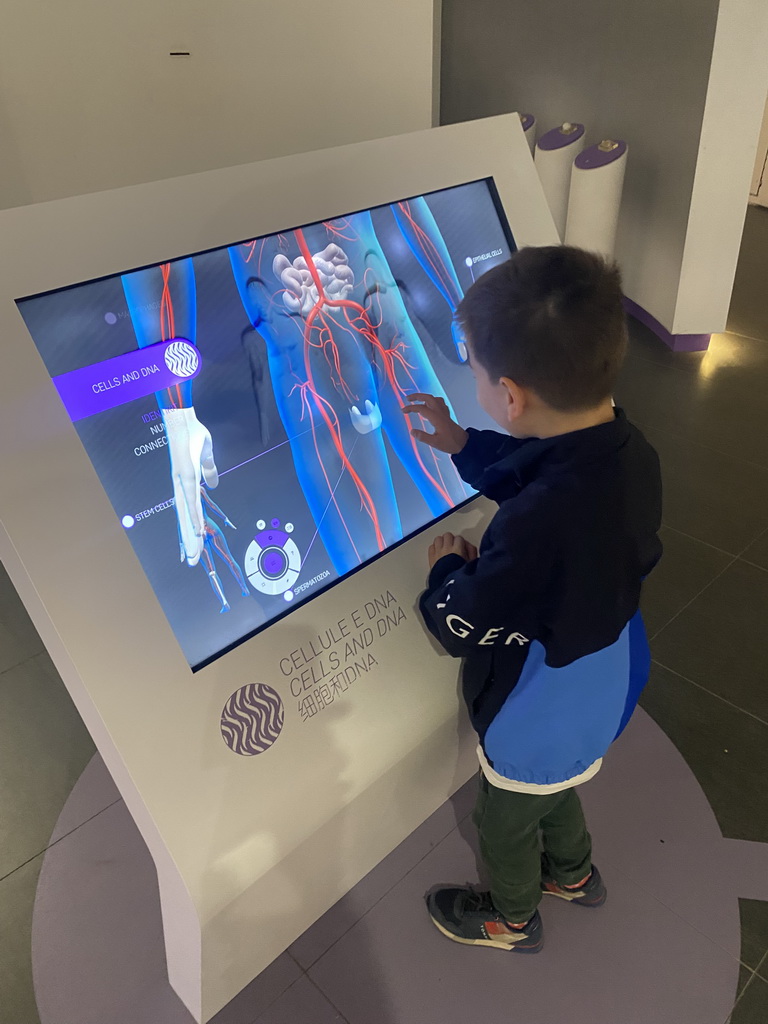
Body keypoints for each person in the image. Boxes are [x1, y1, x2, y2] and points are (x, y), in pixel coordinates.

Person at [403, 246, 662, 954]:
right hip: (605, 676)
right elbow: (548, 470)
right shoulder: (629, 449)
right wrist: (463, 445)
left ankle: (511, 917)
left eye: (480, 378)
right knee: (559, 788)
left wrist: (446, 573)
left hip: (538, 703)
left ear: (510, 396)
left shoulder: (539, 523)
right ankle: (575, 875)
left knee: (506, 817)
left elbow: (464, 623)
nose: (481, 390)